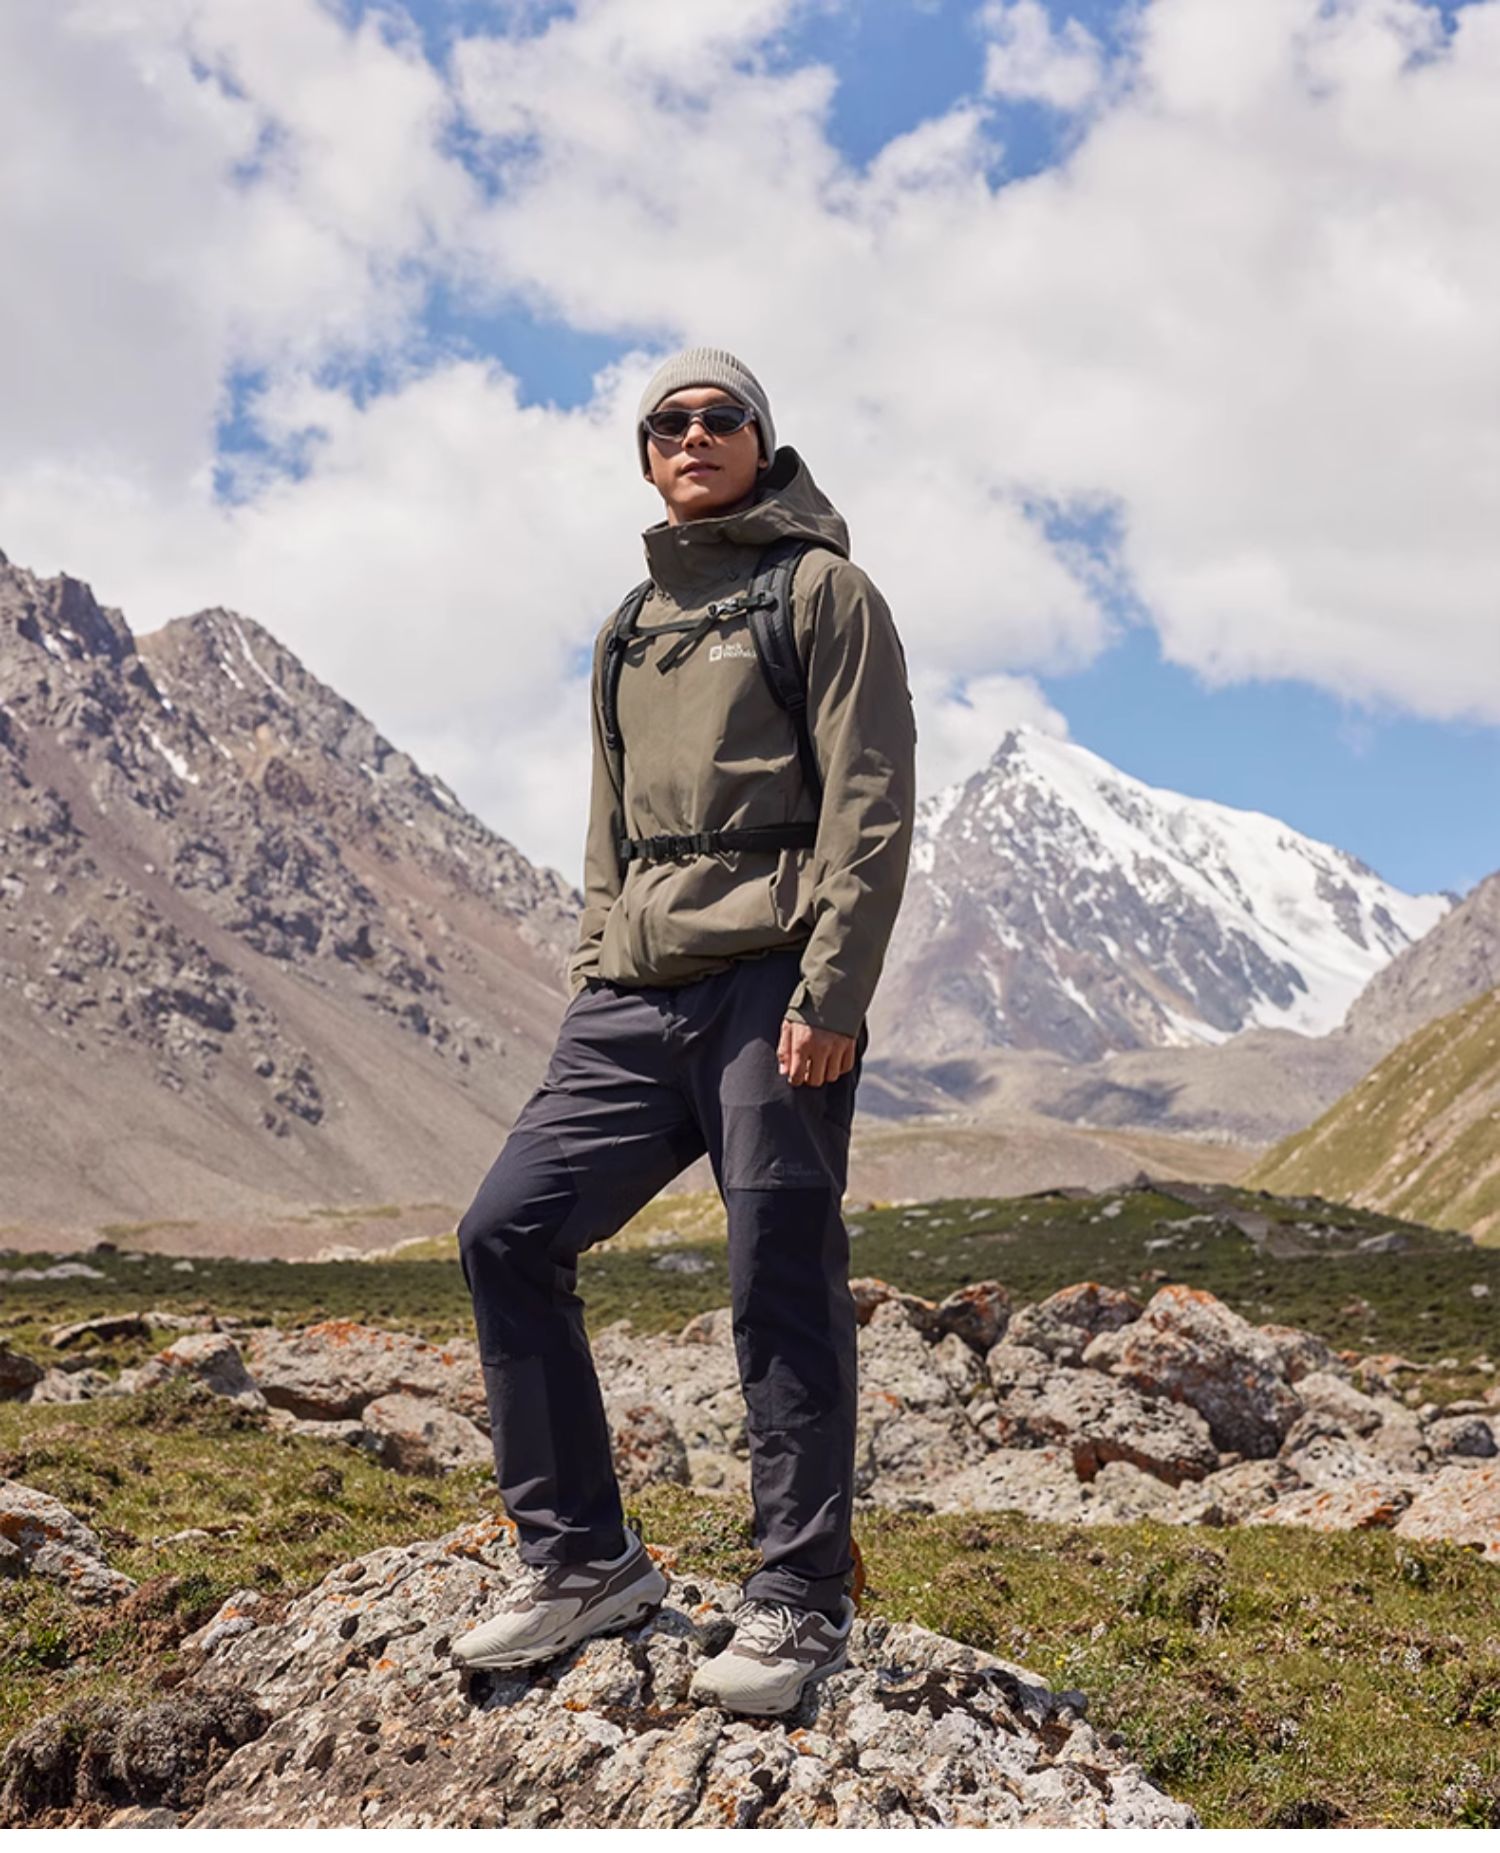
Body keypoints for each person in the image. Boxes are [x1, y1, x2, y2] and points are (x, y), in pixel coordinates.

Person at [451, 347, 917, 1716]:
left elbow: (872, 799)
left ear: (762, 441)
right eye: (669, 423)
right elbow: (609, 825)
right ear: (647, 456)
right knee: (506, 1230)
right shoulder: (628, 625)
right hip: (632, 996)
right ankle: (581, 1557)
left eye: (721, 418)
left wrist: (833, 992)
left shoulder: (823, 592)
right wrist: (597, 966)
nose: (694, 435)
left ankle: (799, 1594)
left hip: (774, 984)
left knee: (779, 1274)